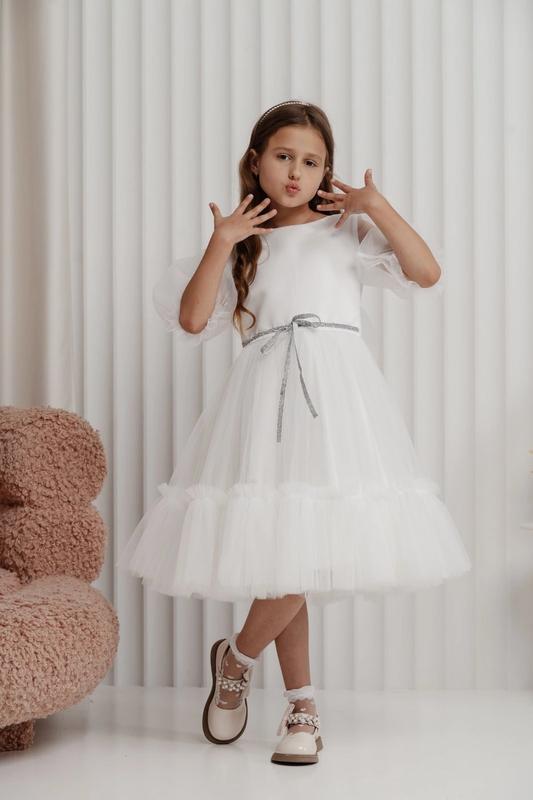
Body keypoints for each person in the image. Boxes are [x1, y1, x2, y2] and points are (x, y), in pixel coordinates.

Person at [116, 99, 472, 766]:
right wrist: (221, 242)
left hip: (339, 407)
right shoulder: (243, 241)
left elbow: (426, 273)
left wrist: (376, 206)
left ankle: (238, 661)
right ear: (256, 161)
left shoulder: (345, 229)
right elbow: (192, 319)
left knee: (300, 549)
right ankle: (302, 705)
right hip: (265, 408)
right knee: (288, 551)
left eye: (311, 162)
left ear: (325, 172)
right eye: (283, 156)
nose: (295, 172)